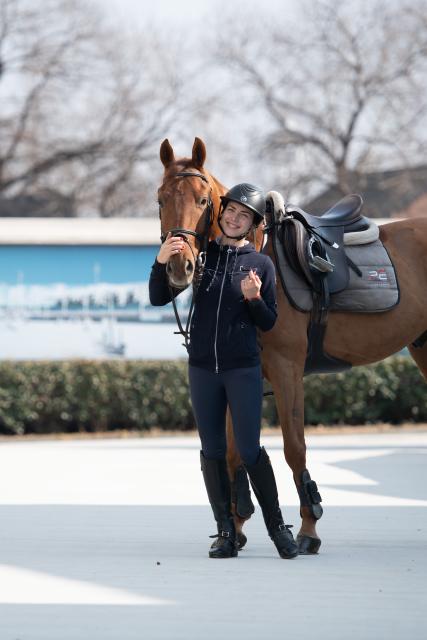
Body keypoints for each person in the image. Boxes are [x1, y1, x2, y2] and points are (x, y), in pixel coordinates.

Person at [149, 183, 298, 560]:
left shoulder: (261, 264)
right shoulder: (203, 256)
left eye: (242, 215)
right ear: (221, 214)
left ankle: (279, 528)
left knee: (249, 449)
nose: (234, 218)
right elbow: (158, 297)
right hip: (202, 370)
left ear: (251, 224)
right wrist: (161, 259)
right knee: (212, 450)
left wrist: (253, 298)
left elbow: (268, 322)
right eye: (230, 211)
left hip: (242, 369)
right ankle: (225, 533)